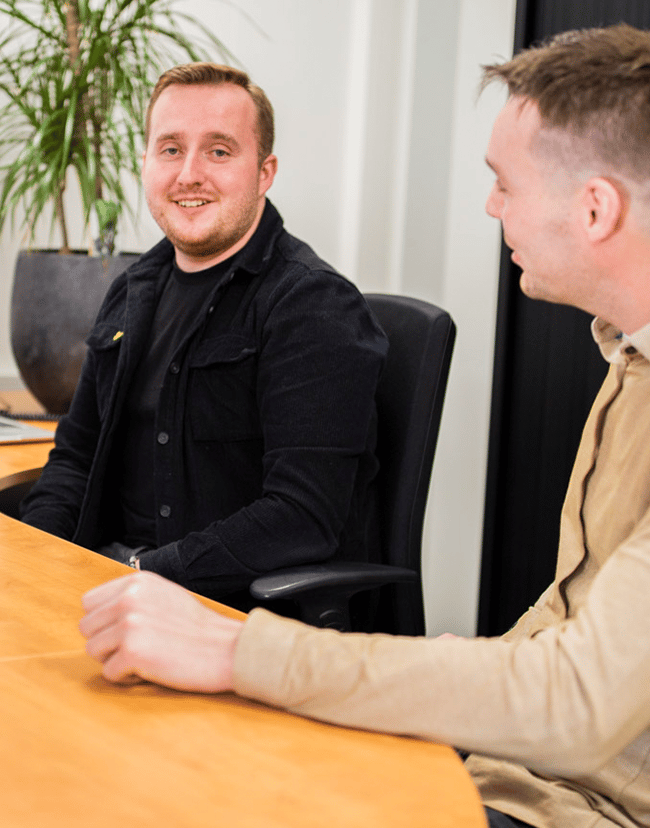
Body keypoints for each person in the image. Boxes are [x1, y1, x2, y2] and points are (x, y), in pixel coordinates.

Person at [79, 24, 650, 828]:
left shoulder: (308, 303)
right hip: (506, 767)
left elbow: (578, 701)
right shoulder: (627, 364)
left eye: (503, 183)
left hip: (579, 804)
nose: (489, 207)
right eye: (169, 149)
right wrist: (465, 671)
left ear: (594, 209)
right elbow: (568, 627)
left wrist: (232, 649)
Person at [21, 63, 387, 612]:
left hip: (222, 615)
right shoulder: (134, 289)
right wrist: (36, 564)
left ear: (264, 172)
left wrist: (140, 574)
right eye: (170, 149)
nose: (189, 174)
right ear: (146, 162)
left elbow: (301, 516)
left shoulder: (310, 305)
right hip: (112, 583)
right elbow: (76, 458)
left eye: (219, 151)